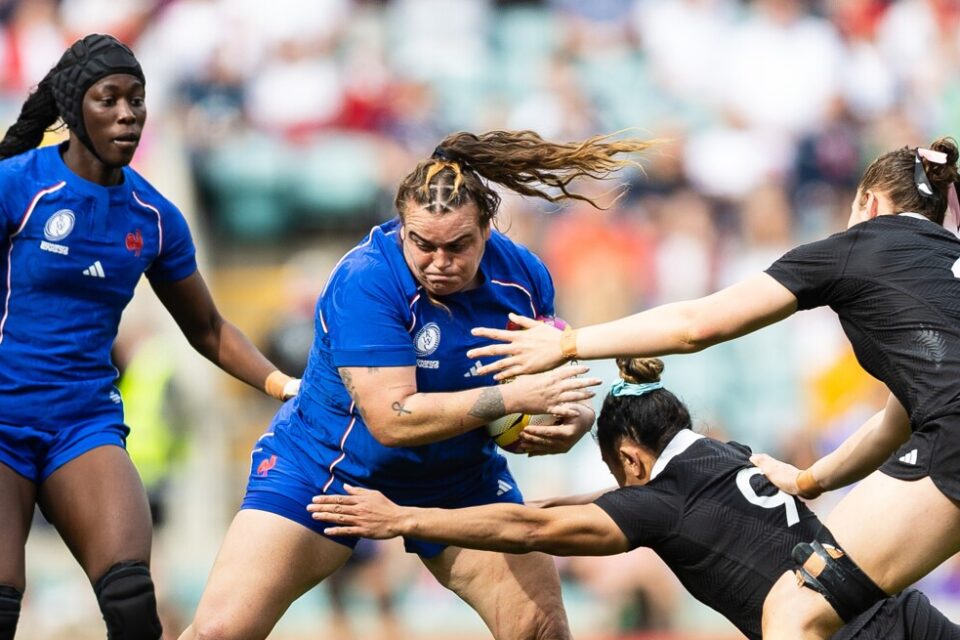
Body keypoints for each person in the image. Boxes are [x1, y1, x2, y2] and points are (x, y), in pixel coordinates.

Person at [465, 136, 960, 638]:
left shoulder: (860, 245)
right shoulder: (944, 267)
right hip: (946, 435)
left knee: (794, 607)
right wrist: (809, 481)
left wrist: (568, 344)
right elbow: (895, 421)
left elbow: (696, 326)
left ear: (869, 203)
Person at [177, 129, 654, 640]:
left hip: (458, 479)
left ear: (487, 229)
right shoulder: (365, 281)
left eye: (457, 246)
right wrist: (516, 397)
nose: (439, 262)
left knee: (542, 631)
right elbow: (392, 420)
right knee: (218, 633)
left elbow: (542, 382)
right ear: (402, 229)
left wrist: (569, 421)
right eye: (422, 244)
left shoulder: (523, 276)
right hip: (327, 470)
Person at [309, 357, 960, 640]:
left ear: (629, 457)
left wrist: (404, 517)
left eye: (618, 474)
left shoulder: (659, 506)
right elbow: (593, 504)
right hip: (906, 615)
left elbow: (529, 532)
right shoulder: (725, 453)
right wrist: (560, 502)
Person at [0, 34, 299, 640]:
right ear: (73, 108)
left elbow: (208, 329)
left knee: (132, 600)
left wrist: (282, 383)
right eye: (108, 99)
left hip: (81, 424)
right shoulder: (18, 185)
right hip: (3, 418)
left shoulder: (154, 216)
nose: (127, 114)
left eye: (136, 99)